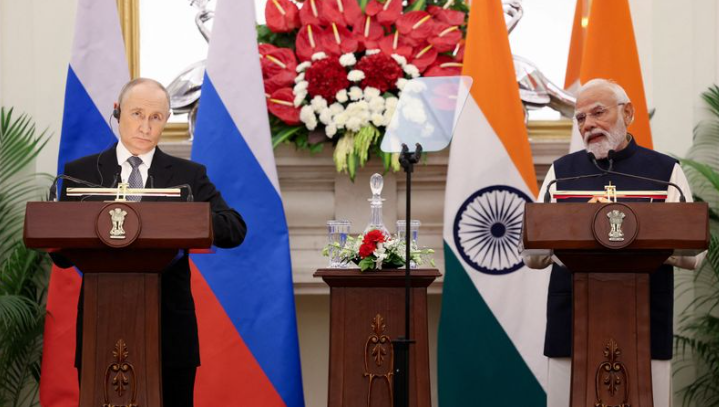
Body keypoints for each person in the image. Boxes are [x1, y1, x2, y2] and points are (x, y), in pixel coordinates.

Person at [55, 78, 247, 407]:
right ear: (118, 112)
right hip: (100, 328)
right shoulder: (80, 173)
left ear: (166, 120)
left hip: (170, 333)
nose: (145, 126)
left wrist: (183, 220)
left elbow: (235, 229)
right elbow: (60, 257)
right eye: (137, 114)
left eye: (156, 117)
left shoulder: (188, 176)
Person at [523, 78, 703, 407]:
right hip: (572, 321)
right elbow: (532, 254)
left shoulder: (665, 172)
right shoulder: (562, 173)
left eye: (598, 113)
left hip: (645, 321)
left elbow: (693, 256)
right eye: (580, 118)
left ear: (628, 113)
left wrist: (639, 242)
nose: (588, 124)